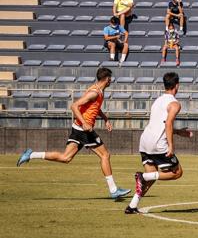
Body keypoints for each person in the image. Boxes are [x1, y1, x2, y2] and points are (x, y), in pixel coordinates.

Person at [17, 68, 130, 200]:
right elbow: (74, 106)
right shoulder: (94, 92)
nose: (111, 81)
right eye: (110, 78)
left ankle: (31, 154)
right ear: (107, 79)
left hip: (78, 128)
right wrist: (84, 123)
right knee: (105, 155)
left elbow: (95, 108)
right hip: (84, 130)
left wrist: (105, 119)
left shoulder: (98, 91)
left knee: (66, 158)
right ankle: (114, 190)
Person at [125, 72, 193, 214]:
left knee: (152, 177)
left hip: (144, 141)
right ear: (177, 85)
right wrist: (171, 146)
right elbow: (168, 123)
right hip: (158, 144)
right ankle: (142, 176)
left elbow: (160, 124)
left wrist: (179, 132)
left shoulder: (157, 101)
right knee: (177, 172)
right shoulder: (175, 104)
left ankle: (132, 206)